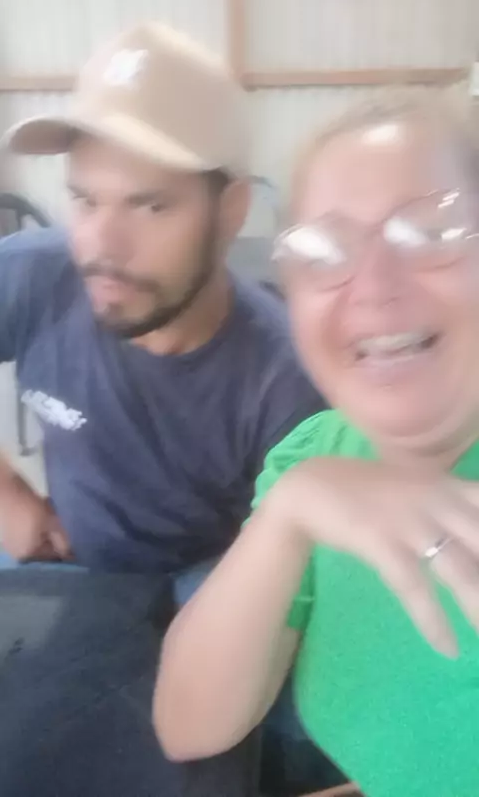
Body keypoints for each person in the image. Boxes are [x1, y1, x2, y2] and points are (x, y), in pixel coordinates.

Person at [155, 90, 479, 797]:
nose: (375, 288)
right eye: (324, 251)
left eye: (430, 232)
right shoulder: (314, 460)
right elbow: (189, 725)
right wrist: (290, 511)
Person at [0, 22, 323, 577]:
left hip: (204, 575)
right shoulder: (34, 274)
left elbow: (283, 573)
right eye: (85, 200)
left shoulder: (285, 382)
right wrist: (6, 493)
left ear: (231, 210)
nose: (102, 245)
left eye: (150, 207)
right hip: (61, 555)